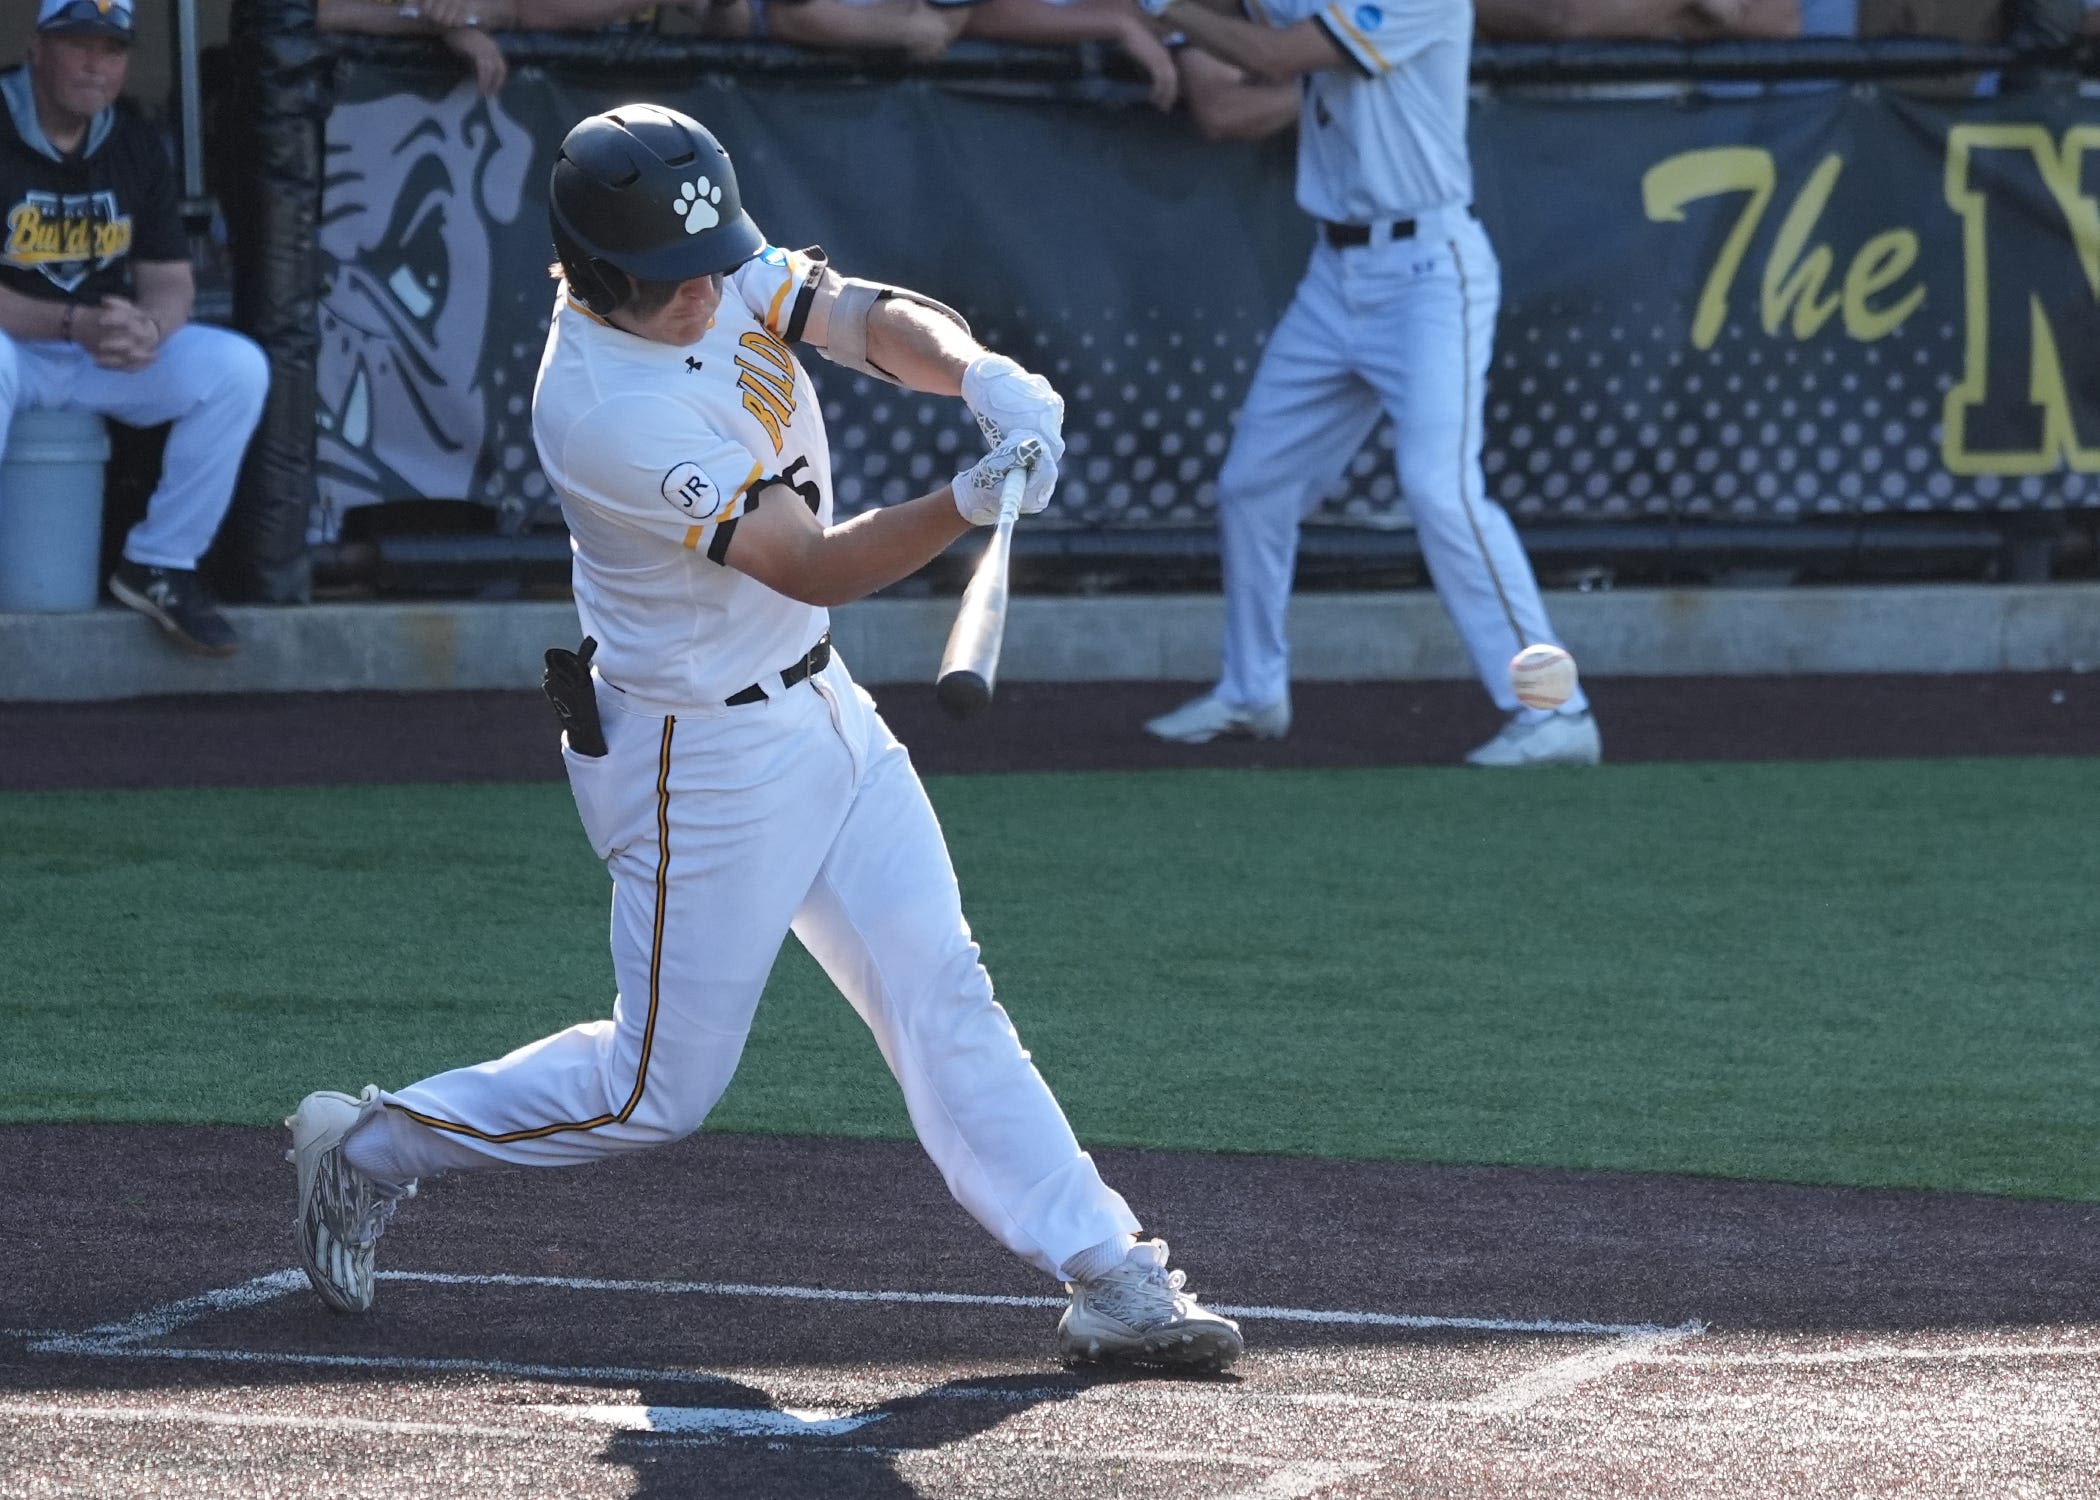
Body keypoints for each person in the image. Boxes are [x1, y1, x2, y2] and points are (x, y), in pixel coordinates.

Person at [284, 104, 1245, 1373]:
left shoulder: (707, 262)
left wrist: (974, 373)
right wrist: (965, 498)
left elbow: (854, 315)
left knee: (938, 985)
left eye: (712, 260)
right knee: (652, 1094)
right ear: (602, 269)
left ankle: (1109, 1272)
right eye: (676, 280)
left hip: (823, 710)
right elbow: (810, 564)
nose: (709, 289)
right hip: (696, 762)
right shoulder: (599, 411)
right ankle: (365, 1145)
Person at [1134, 0, 1600, 767]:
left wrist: (1165, 10)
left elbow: (1279, 56)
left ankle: (1557, 711)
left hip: (1430, 270)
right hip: (1335, 274)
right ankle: (1253, 689)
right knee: (1254, 483)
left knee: (1440, 489)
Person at [0, 0, 268, 656]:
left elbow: (170, 277)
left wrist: (149, 326)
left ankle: (162, 563)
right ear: (37, 47)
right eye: (78, 44)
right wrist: (73, 321)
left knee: (235, 368)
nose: (96, 65)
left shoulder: (134, 140)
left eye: (112, 50)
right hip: (17, 344)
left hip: (96, 352)